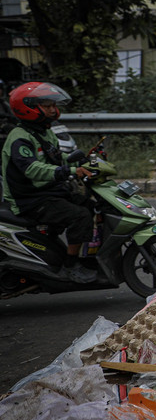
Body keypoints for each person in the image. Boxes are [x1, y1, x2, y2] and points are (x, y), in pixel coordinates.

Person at [1, 82, 97, 283]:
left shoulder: (44, 131)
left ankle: (62, 247)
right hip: (28, 198)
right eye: (47, 106)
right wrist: (68, 171)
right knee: (80, 216)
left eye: (54, 105)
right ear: (28, 108)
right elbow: (32, 169)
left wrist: (80, 161)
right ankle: (70, 266)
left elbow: (55, 157)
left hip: (45, 191)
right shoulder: (20, 138)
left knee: (89, 202)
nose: (54, 110)